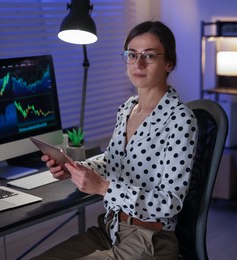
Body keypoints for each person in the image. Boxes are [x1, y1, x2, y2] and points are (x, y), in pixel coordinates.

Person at [33, 20, 198, 260]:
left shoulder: (181, 119)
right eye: (132, 55)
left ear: (168, 64)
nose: (138, 64)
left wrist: (103, 187)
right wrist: (75, 169)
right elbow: (112, 161)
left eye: (149, 56)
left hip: (149, 240)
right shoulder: (128, 108)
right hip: (110, 228)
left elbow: (170, 202)